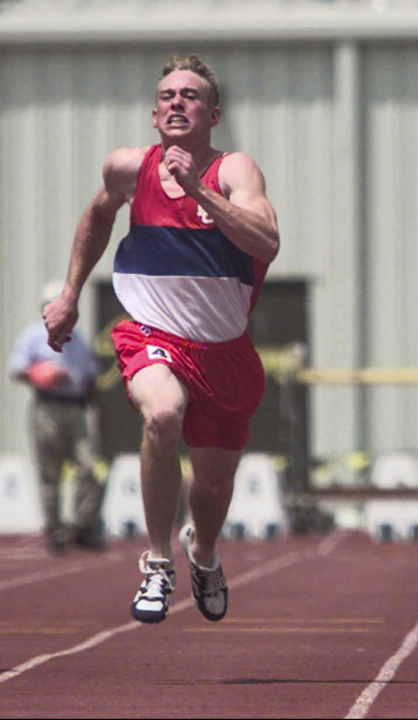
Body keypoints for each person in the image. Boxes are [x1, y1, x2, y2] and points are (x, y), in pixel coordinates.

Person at [42, 55, 279, 624]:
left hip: (223, 346)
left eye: (191, 95)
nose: (178, 102)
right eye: (168, 95)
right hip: (151, 330)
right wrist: (71, 292)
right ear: (154, 114)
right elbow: (97, 216)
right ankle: (156, 560)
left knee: (214, 482)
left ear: (213, 114)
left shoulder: (233, 171)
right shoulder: (129, 168)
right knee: (162, 415)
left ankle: (201, 552)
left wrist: (198, 190)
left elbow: (266, 242)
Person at [8, 279, 104, 555]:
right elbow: (16, 369)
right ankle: (55, 530)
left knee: (89, 466)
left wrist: (96, 411)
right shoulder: (32, 336)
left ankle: (83, 523)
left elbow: (90, 378)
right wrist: (41, 374)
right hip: (47, 408)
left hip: (76, 408)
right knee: (49, 471)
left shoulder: (80, 339)